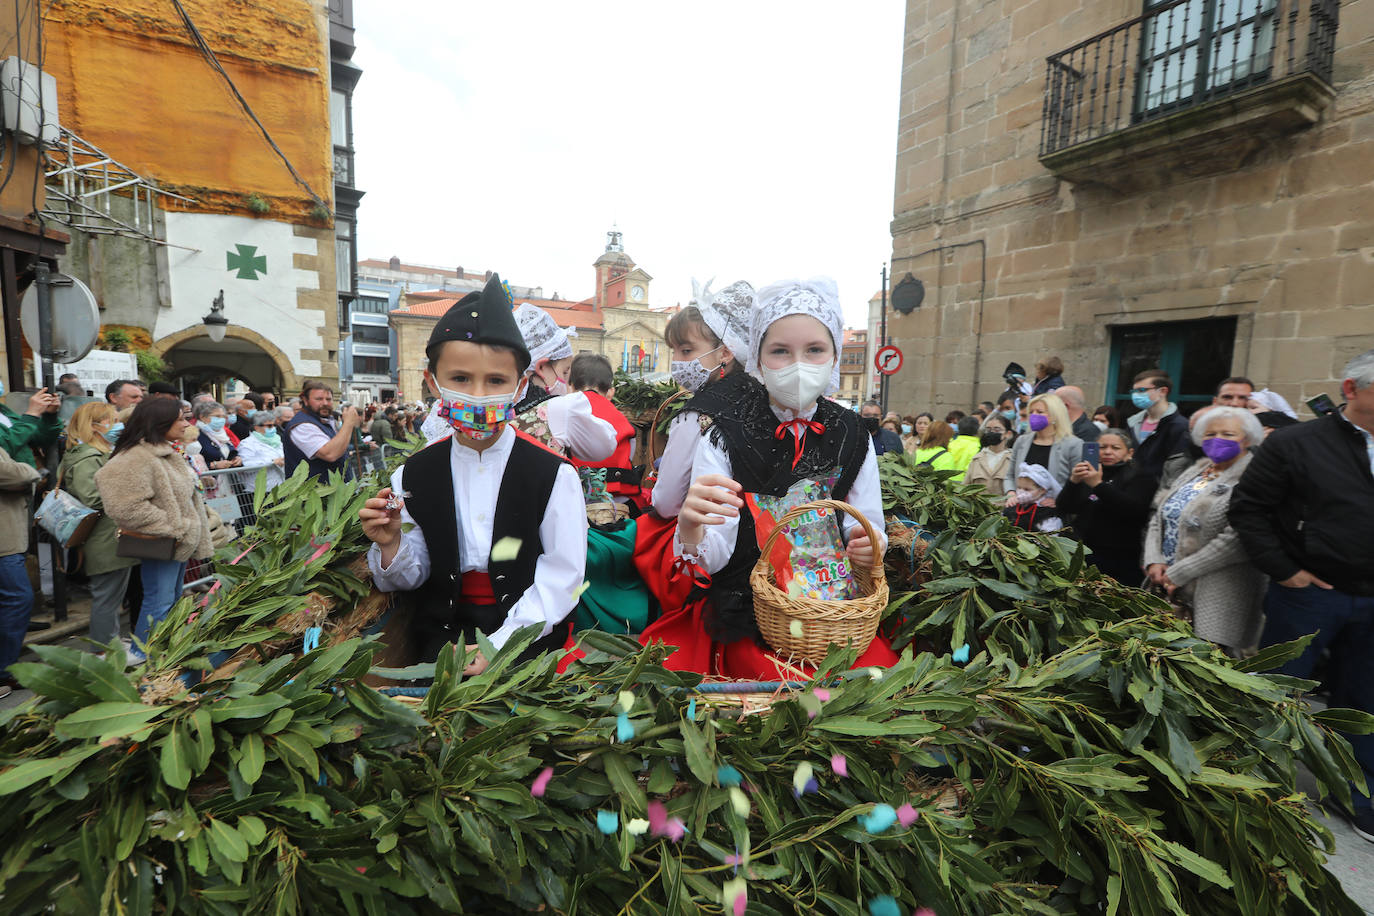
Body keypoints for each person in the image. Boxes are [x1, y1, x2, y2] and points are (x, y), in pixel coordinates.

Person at [638, 277, 896, 678]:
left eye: (814, 350)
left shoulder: (851, 432)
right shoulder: (725, 432)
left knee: (876, 689)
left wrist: (868, 544)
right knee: (784, 697)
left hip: (830, 613)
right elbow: (716, 547)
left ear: (834, 355)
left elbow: (864, 521)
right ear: (758, 358)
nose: (798, 364)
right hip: (752, 610)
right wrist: (691, 527)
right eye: (780, 351)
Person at [358, 272, 587, 671]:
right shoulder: (414, 474)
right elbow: (414, 575)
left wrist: (498, 647)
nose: (478, 396)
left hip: (527, 640)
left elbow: (561, 578)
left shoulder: (553, 475)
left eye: (496, 380)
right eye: (461, 379)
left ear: (519, 389)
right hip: (438, 641)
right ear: (433, 383)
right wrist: (391, 545)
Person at [1228, 349, 1374, 840]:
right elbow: (1249, 509)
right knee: (1278, 691)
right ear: (1352, 391)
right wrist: (1287, 571)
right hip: (1310, 595)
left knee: (1365, 700)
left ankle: (1357, 793)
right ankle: (1252, 786)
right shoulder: (1297, 443)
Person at [1143, 407, 1266, 655]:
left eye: (1228, 433)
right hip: (1166, 585)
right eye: (1210, 434)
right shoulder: (1196, 469)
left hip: (1218, 588)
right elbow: (1161, 514)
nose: (1217, 439)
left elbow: (1237, 540)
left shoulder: (1255, 475)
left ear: (1248, 438)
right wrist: (1153, 559)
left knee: (1209, 660)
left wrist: (1181, 572)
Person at [95, 398, 213, 658]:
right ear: (159, 422)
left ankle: (160, 654)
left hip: (176, 540)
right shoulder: (136, 456)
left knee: (168, 600)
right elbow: (124, 507)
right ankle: (145, 657)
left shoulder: (163, 451)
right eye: (180, 418)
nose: (186, 424)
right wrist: (175, 526)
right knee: (158, 602)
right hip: (164, 540)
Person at [653, 281, 754, 518]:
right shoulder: (762, 397)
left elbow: (666, 503)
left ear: (725, 352)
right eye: (674, 351)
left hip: (709, 535)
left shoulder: (695, 415)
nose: (677, 361)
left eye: (686, 351)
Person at [57, 402, 137, 650]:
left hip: (109, 535)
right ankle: (104, 650)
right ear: (93, 426)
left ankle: (110, 641)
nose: (118, 425)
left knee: (112, 596)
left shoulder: (96, 453)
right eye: (112, 420)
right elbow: (91, 497)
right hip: (104, 538)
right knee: (107, 597)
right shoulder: (87, 457)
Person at [1059, 428, 1157, 585]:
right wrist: (1073, 481)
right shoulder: (1089, 472)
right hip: (1084, 552)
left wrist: (1098, 485)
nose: (1108, 452)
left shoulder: (1141, 476)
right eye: (1102, 447)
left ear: (1129, 453)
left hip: (1121, 558)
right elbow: (1065, 507)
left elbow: (1134, 510)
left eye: (1115, 448)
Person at [567, 353, 642, 509]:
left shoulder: (562, 411)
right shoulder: (622, 420)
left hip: (574, 498)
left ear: (571, 387)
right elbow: (629, 454)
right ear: (610, 391)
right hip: (619, 501)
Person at [0, 443, 40, 696]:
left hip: (9, 539)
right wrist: (32, 473)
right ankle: (4, 670)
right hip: (5, 542)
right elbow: (16, 475)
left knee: (16, 599)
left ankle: (7, 669)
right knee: (18, 598)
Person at [1003, 393, 1084, 497]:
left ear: (1055, 416)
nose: (1034, 415)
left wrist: (1058, 501)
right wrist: (1011, 493)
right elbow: (1010, 475)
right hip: (1021, 507)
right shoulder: (1022, 441)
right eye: (1031, 412)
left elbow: (1077, 483)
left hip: (1053, 508)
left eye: (1039, 412)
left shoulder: (1073, 444)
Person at [282, 380, 360, 480]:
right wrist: (348, 423)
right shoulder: (301, 426)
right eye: (319, 399)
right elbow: (330, 454)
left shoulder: (325, 420)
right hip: (312, 493)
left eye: (328, 399)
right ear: (305, 400)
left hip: (335, 491)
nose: (325, 403)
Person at [1126, 368, 1191, 485]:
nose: (1136, 395)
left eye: (1142, 390)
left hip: (1158, 493)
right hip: (1131, 490)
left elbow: (1178, 468)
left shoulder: (1179, 426)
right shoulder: (1133, 423)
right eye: (1134, 391)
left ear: (1163, 391)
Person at [0, 384, 61, 468]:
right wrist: (31, 414)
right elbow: (3, 448)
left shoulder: (4, 412)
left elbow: (39, 439)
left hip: (25, 477)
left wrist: (50, 415)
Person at [1003, 463, 1064, 532]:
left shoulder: (1047, 514)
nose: (1021, 492)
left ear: (1042, 490)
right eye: (1019, 487)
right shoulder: (1014, 506)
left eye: (1027, 489)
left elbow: (1049, 537)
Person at [964, 415, 1014, 497]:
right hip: (979, 507)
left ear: (1008, 434)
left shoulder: (1013, 460)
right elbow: (966, 487)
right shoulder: (977, 459)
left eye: (997, 429)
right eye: (988, 430)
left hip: (1004, 507)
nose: (992, 432)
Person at [236, 409, 287, 490]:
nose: (273, 428)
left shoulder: (277, 441)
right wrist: (272, 462)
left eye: (274, 425)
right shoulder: (247, 444)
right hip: (259, 490)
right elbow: (246, 466)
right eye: (269, 426)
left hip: (280, 487)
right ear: (256, 427)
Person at [193, 401, 241, 470]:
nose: (221, 419)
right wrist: (213, 465)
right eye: (217, 416)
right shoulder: (195, 435)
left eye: (223, 416)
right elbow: (190, 461)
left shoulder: (223, 433)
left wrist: (236, 458)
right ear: (202, 417)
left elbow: (230, 452)